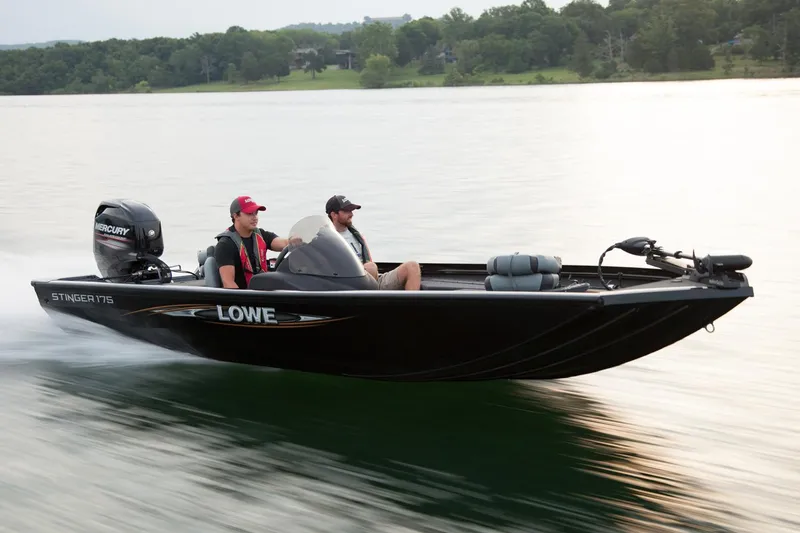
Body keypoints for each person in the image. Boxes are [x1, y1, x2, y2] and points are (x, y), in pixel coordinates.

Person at [325, 194, 421, 290]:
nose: (351, 214)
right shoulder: (327, 239)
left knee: (412, 267)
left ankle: (411, 304)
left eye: (351, 210)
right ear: (334, 215)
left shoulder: (356, 235)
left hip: (372, 278)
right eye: (346, 211)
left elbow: (368, 261)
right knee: (370, 267)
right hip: (348, 283)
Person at [215, 195, 290, 289]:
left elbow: (284, 244)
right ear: (236, 216)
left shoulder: (261, 235)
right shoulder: (225, 245)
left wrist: (298, 240)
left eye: (256, 213)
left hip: (262, 295)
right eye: (249, 213)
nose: (255, 218)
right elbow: (228, 283)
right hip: (244, 298)